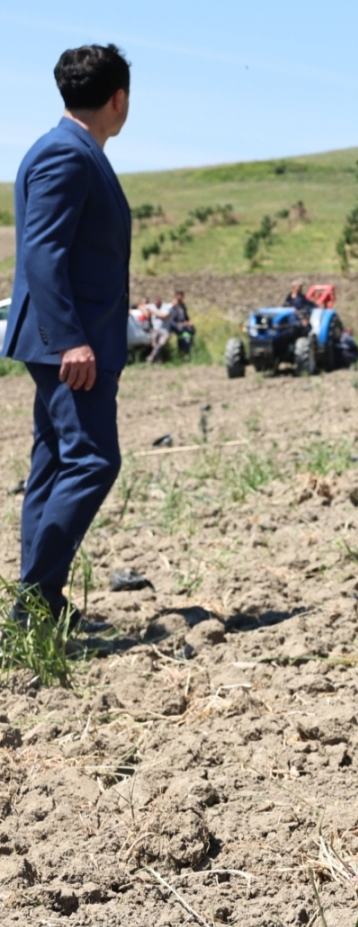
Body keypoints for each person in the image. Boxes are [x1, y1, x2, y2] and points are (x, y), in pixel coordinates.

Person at [1, 45, 132, 628]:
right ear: (118, 98)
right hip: (71, 345)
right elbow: (42, 253)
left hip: (67, 339)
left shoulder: (66, 149)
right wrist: (69, 339)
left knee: (56, 464)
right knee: (92, 461)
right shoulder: (66, 154)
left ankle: (42, 605)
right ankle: (33, 602)